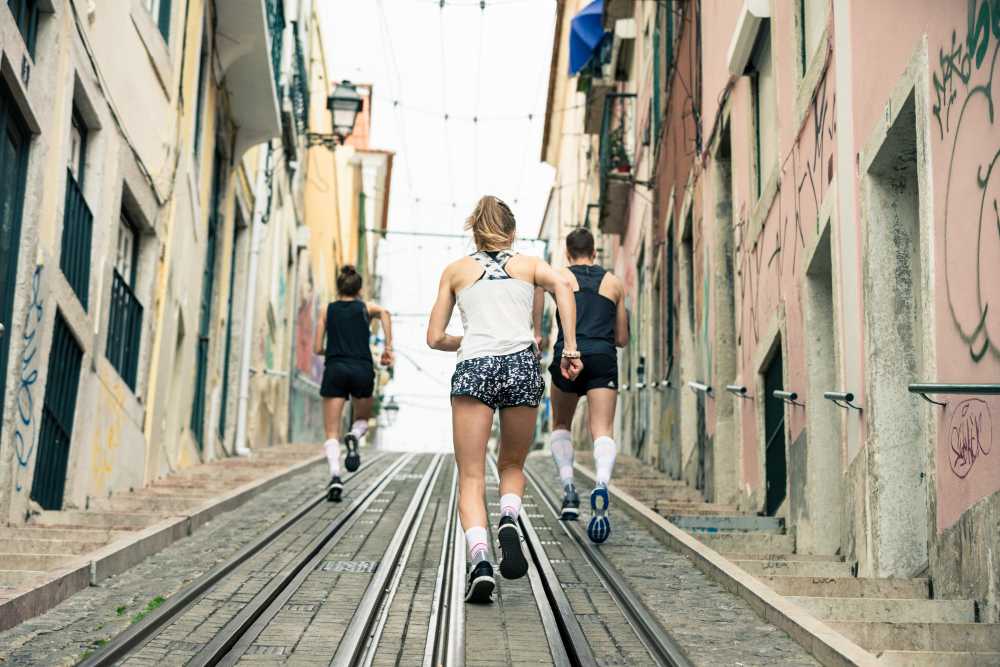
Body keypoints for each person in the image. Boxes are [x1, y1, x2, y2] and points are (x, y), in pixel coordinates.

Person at [427, 195, 582, 604]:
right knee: (512, 464)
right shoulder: (531, 266)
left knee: (471, 476)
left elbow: (435, 338)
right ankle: (509, 519)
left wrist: (473, 340)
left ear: (475, 232)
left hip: (475, 367)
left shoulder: (456, 271)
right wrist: (570, 349)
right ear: (512, 231)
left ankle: (480, 561)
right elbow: (565, 287)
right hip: (520, 366)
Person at [542, 227, 628, 543]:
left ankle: (568, 492)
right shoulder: (614, 283)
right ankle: (601, 483)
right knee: (602, 430)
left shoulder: (559, 277)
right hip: (603, 356)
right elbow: (621, 338)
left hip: (568, 354)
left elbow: (540, 293)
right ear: (595, 252)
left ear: (567, 253)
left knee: (561, 424)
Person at [314, 265, 394, 502]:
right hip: (362, 369)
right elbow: (386, 313)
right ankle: (354, 435)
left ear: (338, 287)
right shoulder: (366, 308)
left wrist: (334, 351)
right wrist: (388, 349)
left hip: (336, 368)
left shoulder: (326, 310)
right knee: (361, 421)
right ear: (359, 289)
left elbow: (318, 347)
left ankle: (336, 475)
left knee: (330, 431)